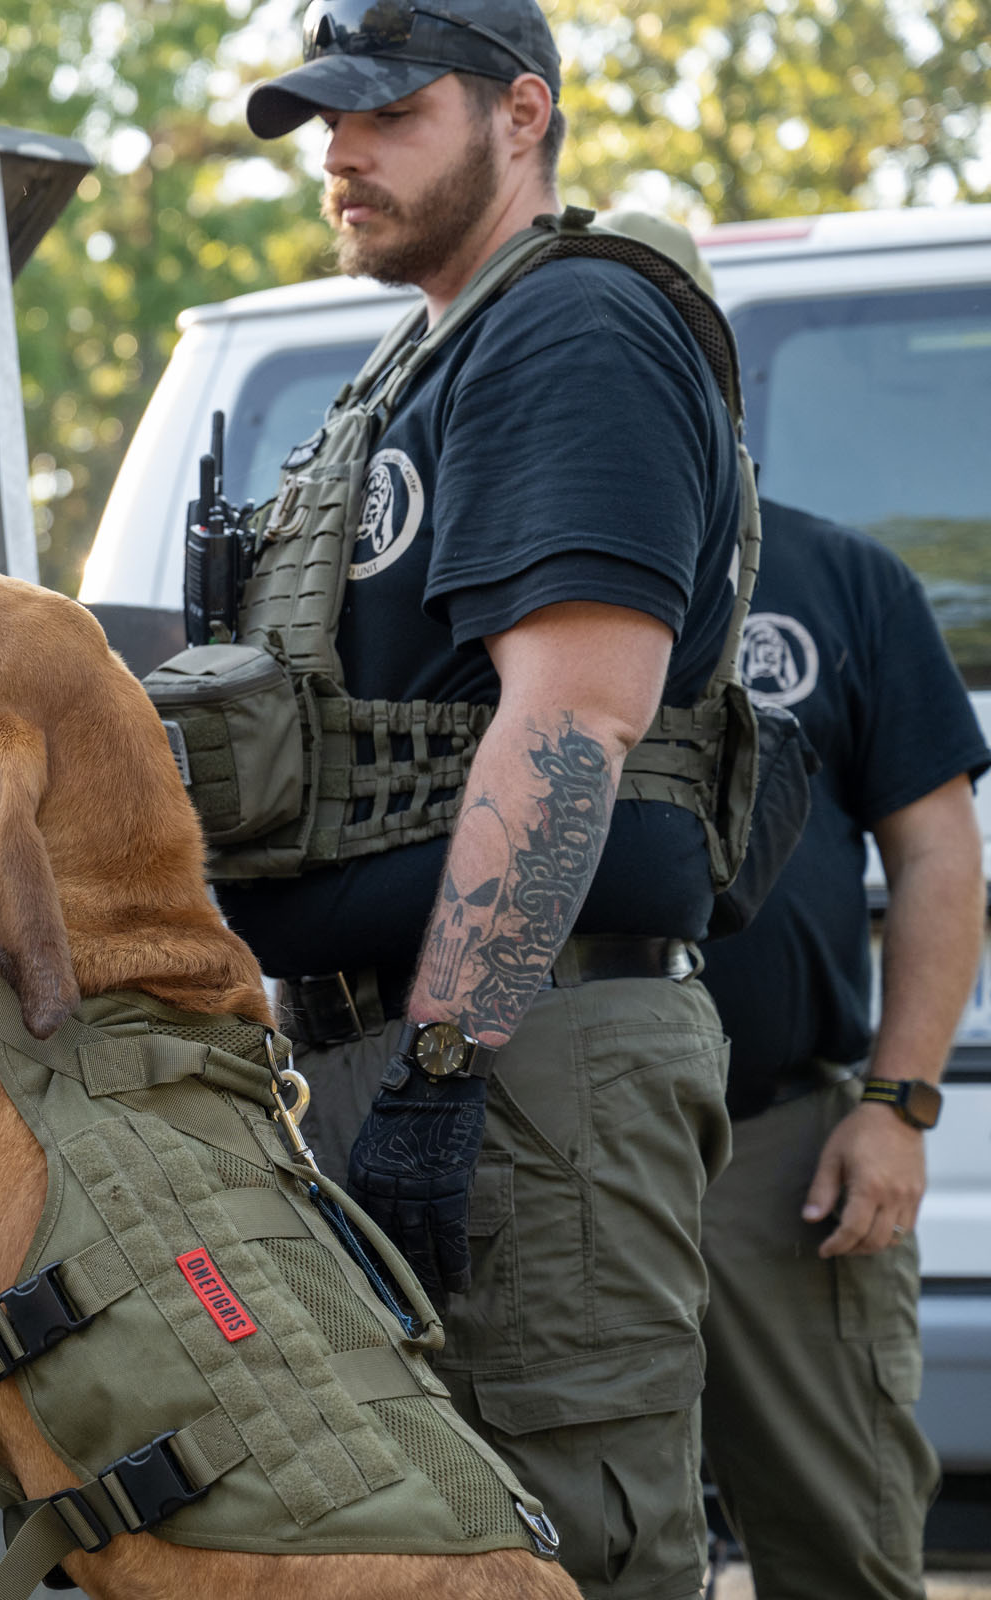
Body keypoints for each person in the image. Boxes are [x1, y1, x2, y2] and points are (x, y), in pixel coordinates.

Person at [219, 3, 749, 1595]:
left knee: (562, 1544)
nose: (342, 150)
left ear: (524, 114)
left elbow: (578, 713)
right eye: (325, 118)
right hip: (409, 1048)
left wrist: (446, 1073)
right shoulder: (426, 352)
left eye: (388, 109)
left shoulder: (571, 328)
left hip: (520, 1062)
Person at [697, 495, 981, 1599]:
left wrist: (897, 1103)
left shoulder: (840, 576)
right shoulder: (497, 551)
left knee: (840, 1549)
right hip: (539, 1141)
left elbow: (937, 851)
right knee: (579, 1545)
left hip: (784, 1152)